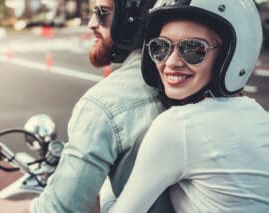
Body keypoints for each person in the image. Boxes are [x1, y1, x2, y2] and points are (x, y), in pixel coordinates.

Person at [0, 0, 174, 212]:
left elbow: (57, 209)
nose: (91, 23)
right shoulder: (186, 81)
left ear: (132, 18)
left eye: (102, 13)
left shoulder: (104, 104)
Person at [103, 0, 269, 212]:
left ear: (230, 56)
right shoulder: (260, 117)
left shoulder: (179, 126)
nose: (171, 62)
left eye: (193, 49)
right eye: (160, 47)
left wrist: (105, 182)